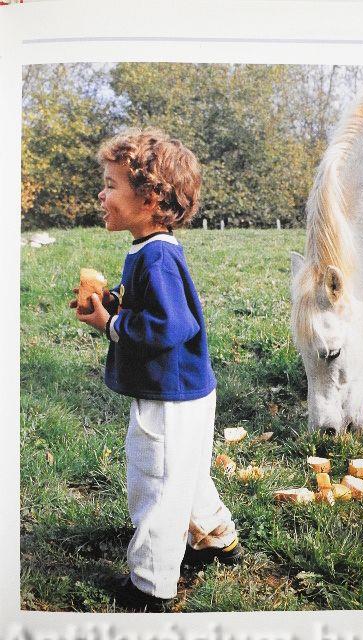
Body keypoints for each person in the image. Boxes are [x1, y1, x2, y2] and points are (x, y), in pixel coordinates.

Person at [70, 128, 242, 610]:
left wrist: (112, 324)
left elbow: (171, 324)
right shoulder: (149, 247)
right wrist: (113, 303)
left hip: (169, 397)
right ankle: (216, 537)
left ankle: (150, 585)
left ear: (148, 200)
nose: (101, 195)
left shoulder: (158, 255)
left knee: (158, 485)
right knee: (185, 472)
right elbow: (150, 306)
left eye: (110, 185)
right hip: (184, 392)